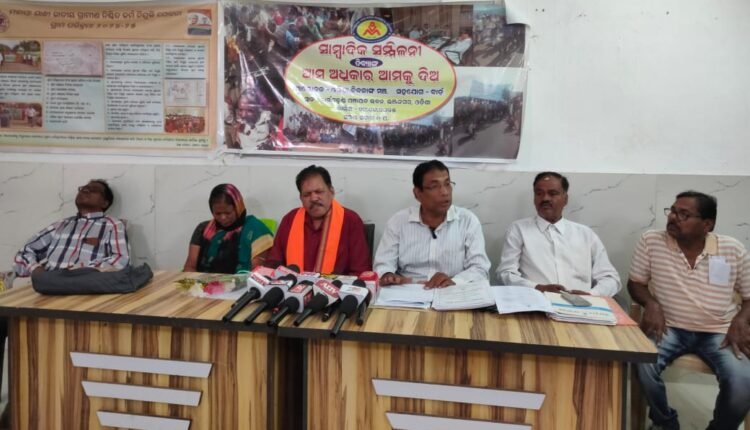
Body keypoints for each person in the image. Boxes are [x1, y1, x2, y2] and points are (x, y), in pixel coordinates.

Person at [628, 191, 750, 430]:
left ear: (707, 224)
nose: (673, 217)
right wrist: (651, 304)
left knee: (743, 380)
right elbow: (635, 283)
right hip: (669, 327)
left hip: (719, 331)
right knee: (641, 361)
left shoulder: (732, 249)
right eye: (672, 211)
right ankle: (666, 423)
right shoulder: (652, 241)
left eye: (684, 214)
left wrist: (741, 320)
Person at [497, 172, 620, 296]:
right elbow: (506, 273)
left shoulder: (585, 234)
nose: (545, 198)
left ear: (565, 199)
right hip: (536, 300)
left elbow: (610, 279)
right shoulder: (518, 229)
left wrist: (592, 295)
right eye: (539, 193)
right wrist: (538, 288)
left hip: (582, 304)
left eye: (553, 193)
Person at [374, 160, 490, 288]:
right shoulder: (398, 222)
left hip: (452, 291)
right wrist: (388, 275)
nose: (445, 192)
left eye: (447, 184)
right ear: (417, 193)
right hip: (408, 292)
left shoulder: (467, 221)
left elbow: (480, 269)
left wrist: (455, 281)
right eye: (434, 186)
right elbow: (383, 265)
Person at [267, 165, 371, 275]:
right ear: (301, 198)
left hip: (335, 285)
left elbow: (360, 272)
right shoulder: (290, 220)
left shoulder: (350, 221)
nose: (313, 198)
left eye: (319, 192)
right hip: (293, 285)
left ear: (331, 191)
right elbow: (273, 264)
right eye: (307, 194)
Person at [13, 179, 129, 277]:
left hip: (87, 286)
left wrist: (80, 269)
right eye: (83, 188)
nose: (86, 190)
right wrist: (36, 269)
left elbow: (120, 261)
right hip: (50, 285)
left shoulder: (112, 225)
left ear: (105, 203)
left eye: (94, 189)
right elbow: (24, 253)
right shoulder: (61, 225)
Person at [184, 184, 273, 274]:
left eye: (228, 213)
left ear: (238, 208)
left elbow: (256, 273)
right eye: (218, 213)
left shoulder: (256, 229)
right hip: (201, 281)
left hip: (241, 282)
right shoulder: (203, 229)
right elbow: (190, 266)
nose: (223, 218)